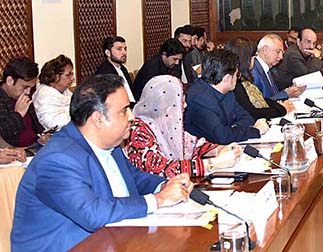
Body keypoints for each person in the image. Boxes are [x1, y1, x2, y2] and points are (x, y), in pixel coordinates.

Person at [10, 74, 192, 251]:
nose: (132, 117)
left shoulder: (109, 144)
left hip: (115, 239)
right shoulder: (57, 160)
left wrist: (166, 186)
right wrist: (159, 200)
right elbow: (93, 214)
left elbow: (134, 178)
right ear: (98, 119)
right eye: (124, 110)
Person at [127, 75, 241, 178]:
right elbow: (163, 169)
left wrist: (219, 149)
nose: (185, 105)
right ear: (166, 105)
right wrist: (214, 163)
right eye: (181, 101)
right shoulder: (137, 130)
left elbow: (193, 145)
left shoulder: (165, 122)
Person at [184, 49, 269, 145]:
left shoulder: (228, 93)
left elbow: (247, 118)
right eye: (237, 75)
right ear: (227, 78)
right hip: (203, 154)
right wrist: (255, 131)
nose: (237, 78)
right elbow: (222, 137)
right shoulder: (198, 98)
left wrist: (232, 130)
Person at [226, 37, 290, 120]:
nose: (255, 60)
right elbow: (253, 112)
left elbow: (263, 100)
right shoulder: (236, 85)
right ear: (245, 60)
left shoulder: (241, 80)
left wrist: (279, 106)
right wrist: (281, 109)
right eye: (253, 57)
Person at [0, 58, 45, 147]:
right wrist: (18, 114)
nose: (28, 92)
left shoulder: (24, 96)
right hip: (14, 153)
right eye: (25, 87)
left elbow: (36, 127)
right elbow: (2, 133)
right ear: (10, 81)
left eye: (31, 88)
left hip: (35, 147)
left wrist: (42, 135)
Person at [253, 34, 305, 100]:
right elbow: (260, 105)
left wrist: (289, 92)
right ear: (265, 50)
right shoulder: (253, 72)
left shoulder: (267, 69)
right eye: (278, 52)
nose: (281, 57)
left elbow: (274, 95)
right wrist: (286, 94)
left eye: (282, 53)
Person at [32, 55, 74, 131]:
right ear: (55, 77)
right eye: (68, 75)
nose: (72, 78)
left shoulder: (65, 92)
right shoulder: (43, 96)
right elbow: (54, 124)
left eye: (72, 74)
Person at [95, 36, 136, 103]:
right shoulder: (104, 73)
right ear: (108, 53)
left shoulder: (123, 69)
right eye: (119, 49)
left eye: (125, 49)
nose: (124, 52)